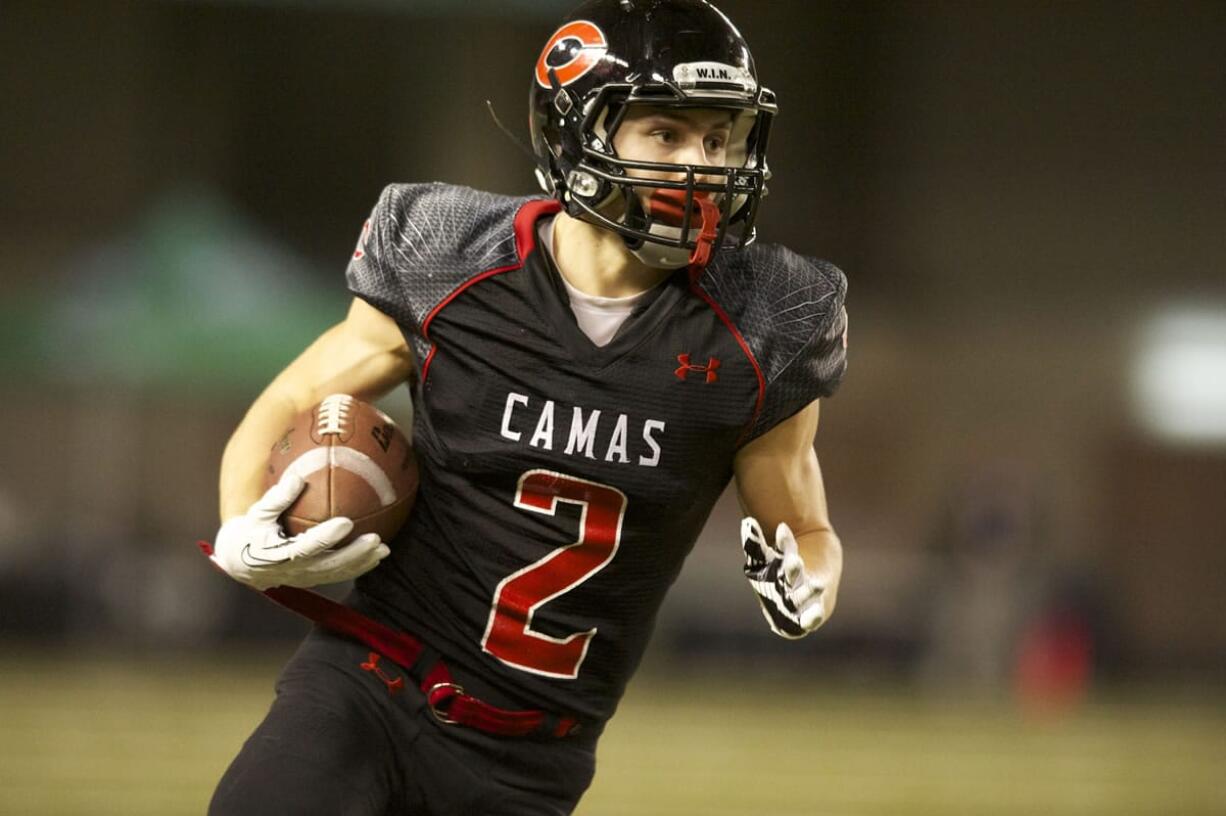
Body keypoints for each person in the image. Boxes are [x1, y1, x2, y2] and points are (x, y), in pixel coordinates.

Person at [205, 0, 849, 813]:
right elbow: (298, 393)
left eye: (718, 138)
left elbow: (807, 526)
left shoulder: (765, 324)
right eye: (667, 133)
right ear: (579, 133)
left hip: (531, 761)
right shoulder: (452, 261)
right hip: (367, 688)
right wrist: (237, 530)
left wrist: (810, 587)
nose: (703, 164)